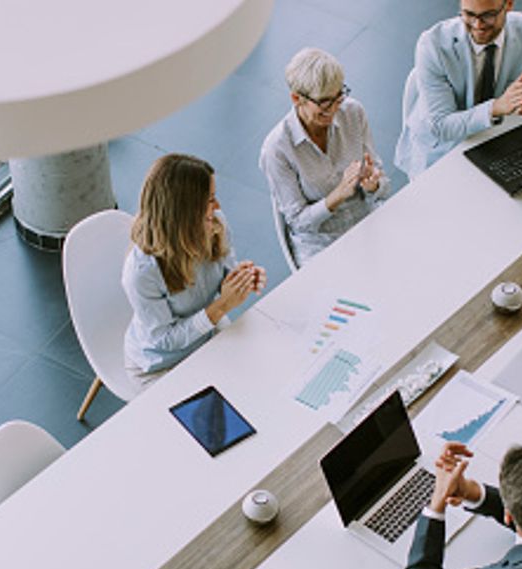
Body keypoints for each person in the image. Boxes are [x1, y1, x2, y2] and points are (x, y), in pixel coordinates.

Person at [122, 154, 266, 386]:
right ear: (185, 212)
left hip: (206, 336)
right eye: (210, 200)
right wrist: (221, 306)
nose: (217, 206)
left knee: (258, 381)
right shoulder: (141, 272)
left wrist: (241, 278)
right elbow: (164, 340)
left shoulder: (215, 223)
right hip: (162, 364)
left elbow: (224, 272)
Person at [394, 0, 522, 178]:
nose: (478, 25)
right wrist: (496, 108)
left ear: (508, 4)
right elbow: (441, 125)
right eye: (469, 14)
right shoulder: (433, 45)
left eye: (488, 15)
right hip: (443, 150)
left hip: (497, 143)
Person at [260, 47, 389, 267]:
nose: (334, 109)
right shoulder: (277, 150)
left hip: (366, 221)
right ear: (296, 98)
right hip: (321, 244)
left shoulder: (353, 112)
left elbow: (383, 187)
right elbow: (299, 223)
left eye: (339, 97)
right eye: (324, 102)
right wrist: (337, 195)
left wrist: (373, 185)